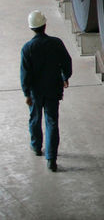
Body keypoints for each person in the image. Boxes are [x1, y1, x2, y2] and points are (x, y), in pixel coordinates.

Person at [20, 10, 72, 172]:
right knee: (51, 122)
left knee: (35, 119)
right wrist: (65, 77)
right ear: (45, 25)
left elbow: (25, 73)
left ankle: (36, 146)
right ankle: (51, 159)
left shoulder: (27, 48)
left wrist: (27, 93)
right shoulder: (56, 43)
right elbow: (67, 62)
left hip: (36, 93)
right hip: (52, 90)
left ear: (31, 28)